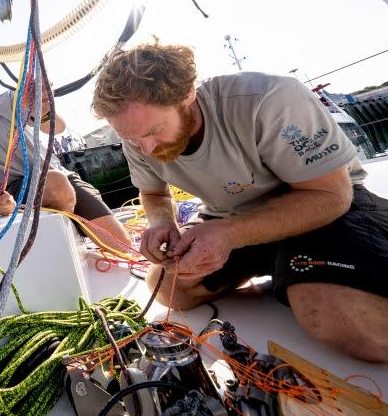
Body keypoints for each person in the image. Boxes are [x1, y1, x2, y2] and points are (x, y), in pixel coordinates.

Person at [91, 41, 388, 362]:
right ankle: (287, 271)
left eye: (155, 130)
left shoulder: (271, 100)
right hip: (232, 215)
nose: (146, 149)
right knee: (168, 287)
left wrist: (229, 234)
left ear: (188, 94)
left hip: (316, 206)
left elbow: (332, 195)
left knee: (348, 328)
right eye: (132, 138)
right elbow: (153, 193)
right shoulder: (138, 136)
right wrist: (162, 222)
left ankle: (304, 278)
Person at [0, 64, 131, 245]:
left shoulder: (7, 101)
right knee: (56, 184)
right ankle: (72, 233)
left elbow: (57, 128)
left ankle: (70, 232)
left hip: (58, 177)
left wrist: (43, 109)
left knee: (121, 245)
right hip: (14, 194)